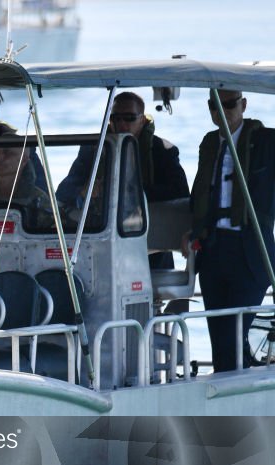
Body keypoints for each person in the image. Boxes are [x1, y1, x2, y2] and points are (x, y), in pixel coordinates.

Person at [188, 90, 275, 372]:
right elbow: (200, 193)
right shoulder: (209, 143)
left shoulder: (267, 142)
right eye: (215, 105)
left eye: (229, 104)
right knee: (220, 337)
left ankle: (241, 389)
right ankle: (225, 391)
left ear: (243, 105)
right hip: (213, 250)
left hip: (251, 249)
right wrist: (193, 231)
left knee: (236, 335)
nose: (222, 111)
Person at [57, 91, 189, 266]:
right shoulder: (92, 149)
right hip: (100, 244)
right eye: (116, 118)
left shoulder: (162, 150)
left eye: (129, 118)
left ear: (142, 120)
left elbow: (180, 192)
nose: (121, 124)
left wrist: (130, 192)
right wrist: (85, 190)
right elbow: (63, 192)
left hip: (149, 247)